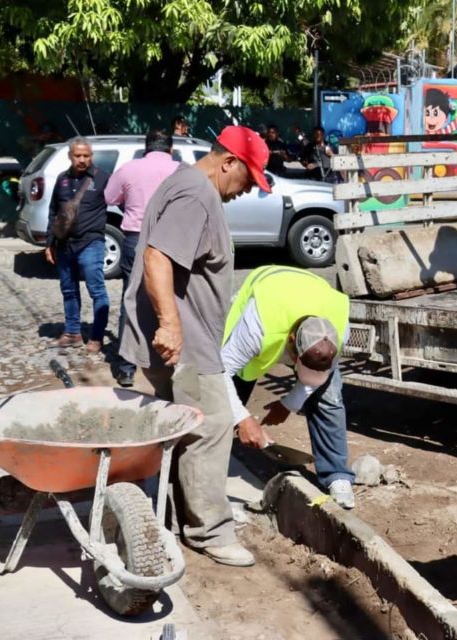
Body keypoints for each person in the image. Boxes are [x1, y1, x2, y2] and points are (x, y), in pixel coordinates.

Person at [119, 126, 271, 567]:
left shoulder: (187, 184)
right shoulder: (196, 196)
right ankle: (209, 532)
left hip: (186, 337)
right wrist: (170, 324)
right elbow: (157, 257)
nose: (246, 191)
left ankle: (170, 514)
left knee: (182, 428)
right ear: (228, 163)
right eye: (247, 179)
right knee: (211, 426)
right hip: (185, 342)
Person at [221, 265, 357, 509]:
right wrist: (242, 418)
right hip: (266, 297)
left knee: (329, 398)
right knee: (222, 402)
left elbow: (317, 379)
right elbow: (220, 371)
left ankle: (337, 476)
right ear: (292, 341)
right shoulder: (257, 325)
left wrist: (289, 403)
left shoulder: (338, 329)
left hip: (306, 297)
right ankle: (212, 473)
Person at [104, 129, 180, 387]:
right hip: (173, 240)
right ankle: (174, 360)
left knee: (133, 300)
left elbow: (109, 197)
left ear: (146, 148)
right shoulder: (181, 170)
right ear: (170, 149)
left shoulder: (129, 168)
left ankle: (126, 369)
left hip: (136, 240)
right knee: (174, 297)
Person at [44, 138, 111, 352]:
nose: (82, 160)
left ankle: (97, 337)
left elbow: (122, 201)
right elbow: (54, 212)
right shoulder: (62, 180)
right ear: (70, 156)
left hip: (91, 242)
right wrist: (49, 243)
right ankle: (72, 333)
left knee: (97, 290)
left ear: (91, 156)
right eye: (78, 155)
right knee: (69, 291)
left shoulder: (102, 178)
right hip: (64, 245)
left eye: (86, 156)